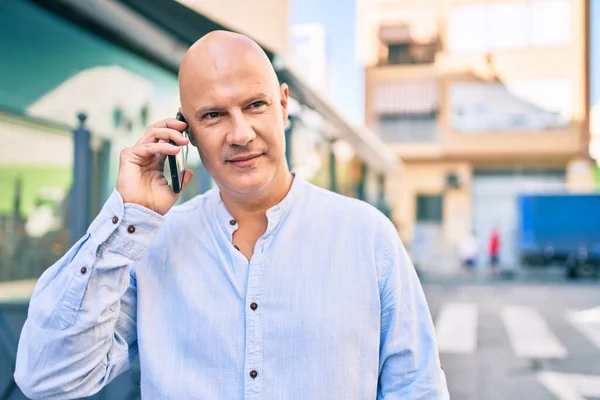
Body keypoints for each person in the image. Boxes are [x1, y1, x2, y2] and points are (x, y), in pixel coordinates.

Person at [14, 31, 448, 399]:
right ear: (186, 132)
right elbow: (48, 380)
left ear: (282, 105)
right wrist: (127, 218)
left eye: (255, 105)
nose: (240, 134)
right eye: (214, 115)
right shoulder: (149, 246)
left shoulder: (366, 236)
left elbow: (417, 387)